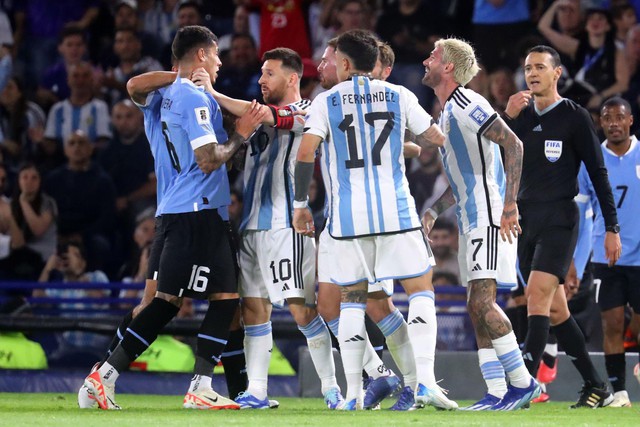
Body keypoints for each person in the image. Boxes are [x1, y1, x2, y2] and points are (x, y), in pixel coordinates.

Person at [82, 25, 266, 410]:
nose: (218, 62)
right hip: (194, 212)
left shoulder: (162, 95)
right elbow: (208, 158)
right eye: (214, 55)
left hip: (179, 211)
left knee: (220, 298)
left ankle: (199, 386)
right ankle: (107, 376)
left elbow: (134, 86)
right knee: (168, 302)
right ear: (201, 55)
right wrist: (242, 135)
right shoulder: (190, 96)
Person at [293, 29, 454, 411]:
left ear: (345, 63)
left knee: (351, 300)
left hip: (347, 220)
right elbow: (434, 137)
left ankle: (352, 395)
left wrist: (301, 203)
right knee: (420, 290)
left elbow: (305, 152)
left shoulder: (326, 100)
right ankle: (426, 382)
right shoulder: (400, 94)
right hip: (395, 211)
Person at [208, 47, 343, 409]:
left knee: (300, 309)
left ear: (292, 78)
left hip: (287, 225)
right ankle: (257, 391)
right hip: (252, 225)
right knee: (253, 309)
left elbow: (273, 116)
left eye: (269, 73)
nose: (261, 80)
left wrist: (212, 93)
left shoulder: (307, 110)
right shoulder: (256, 120)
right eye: (261, 73)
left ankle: (331, 388)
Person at [421, 37, 539, 411]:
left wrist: (509, 207)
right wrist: (434, 210)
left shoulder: (468, 103)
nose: (426, 61)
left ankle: (523, 383)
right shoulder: (446, 112)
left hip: (489, 215)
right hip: (471, 216)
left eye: (434, 57)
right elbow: (462, 179)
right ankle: (497, 390)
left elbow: (514, 144)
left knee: (484, 301)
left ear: (449, 67)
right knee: (475, 304)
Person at [503, 44, 621, 408]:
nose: (532, 73)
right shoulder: (519, 115)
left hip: (560, 219)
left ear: (557, 73)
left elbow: (599, 174)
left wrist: (611, 228)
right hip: (524, 221)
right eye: (527, 67)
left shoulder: (575, 116)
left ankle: (524, 383)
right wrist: (505, 120)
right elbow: (499, 162)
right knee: (555, 310)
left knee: (537, 295)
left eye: (540, 67)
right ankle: (596, 385)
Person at [577, 97, 638, 408]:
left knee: (636, 325)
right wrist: (577, 260)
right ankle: (620, 392)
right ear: (600, 123)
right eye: (607, 118)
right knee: (611, 323)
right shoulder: (591, 160)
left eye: (620, 117)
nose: (614, 123)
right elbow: (582, 210)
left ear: (630, 121)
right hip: (606, 258)